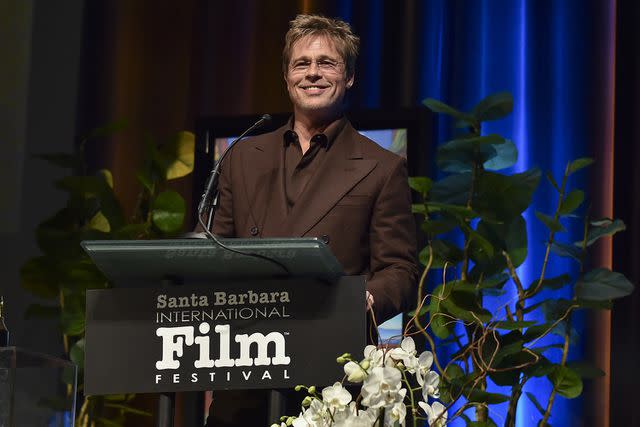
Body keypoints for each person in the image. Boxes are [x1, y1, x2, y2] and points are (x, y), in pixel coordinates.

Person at [204, 14, 418, 426]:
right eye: (302, 64)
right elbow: (218, 255)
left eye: (327, 63)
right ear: (286, 77)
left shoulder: (382, 167)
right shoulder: (242, 158)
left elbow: (399, 269)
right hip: (248, 365)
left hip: (331, 378)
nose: (313, 74)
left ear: (350, 76)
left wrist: (364, 298)